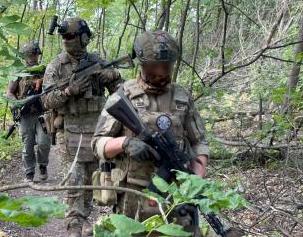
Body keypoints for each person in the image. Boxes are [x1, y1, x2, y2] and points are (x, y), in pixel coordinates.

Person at [91, 30, 209, 236]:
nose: (162, 71)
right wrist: (125, 143)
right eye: (155, 65)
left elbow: (200, 143)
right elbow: (97, 144)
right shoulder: (123, 96)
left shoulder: (182, 97)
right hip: (132, 195)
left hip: (176, 193)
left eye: (167, 66)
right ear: (142, 63)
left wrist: (194, 184)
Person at [42, 17, 122, 237]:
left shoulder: (97, 62)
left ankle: (84, 218)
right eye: (64, 37)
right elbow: (46, 100)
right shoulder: (56, 65)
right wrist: (68, 92)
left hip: (97, 132)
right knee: (73, 181)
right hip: (70, 132)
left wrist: (113, 75)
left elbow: (122, 94)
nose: (66, 41)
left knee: (90, 181)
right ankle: (73, 226)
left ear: (84, 38)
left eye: (70, 36)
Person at [5, 42, 51, 183]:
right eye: (30, 55)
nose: (33, 57)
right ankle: (29, 173)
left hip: (43, 112)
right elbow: (9, 93)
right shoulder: (18, 72)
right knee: (27, 145)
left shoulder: (45, 70)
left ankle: (42, 165)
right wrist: (18, 103)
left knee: (44, 142)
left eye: (35, 54)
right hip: (25, 115)